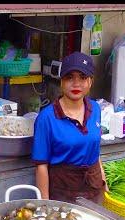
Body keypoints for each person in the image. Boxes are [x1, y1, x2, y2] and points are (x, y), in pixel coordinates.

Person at [31, 51, 107, 204]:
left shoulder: (95, 109)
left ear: (90, 82)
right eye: (69, 77)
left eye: (82, 77)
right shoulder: (46, 118)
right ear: (61, 82)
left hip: (93, 186)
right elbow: (41, 166)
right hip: (64, 190)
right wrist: (45, 204)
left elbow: (95, 151)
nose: (76, 83)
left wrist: (104, 183)